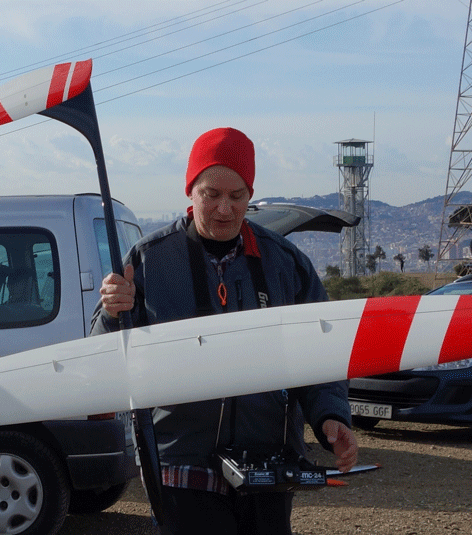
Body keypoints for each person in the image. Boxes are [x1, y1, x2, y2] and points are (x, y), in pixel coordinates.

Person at [91, 127, 358, 535]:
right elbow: (101, 355)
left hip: (268, 465)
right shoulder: (147, 261)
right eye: (211, 194)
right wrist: (113, 313)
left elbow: (321, 352)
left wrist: (331, 416)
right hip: (180, 467)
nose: (224, 208)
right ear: (190, 191)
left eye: (237, 196)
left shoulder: (285, 263)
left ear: (251, 195)